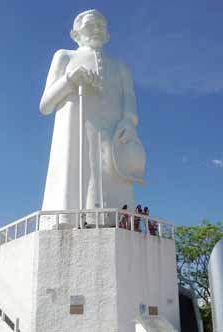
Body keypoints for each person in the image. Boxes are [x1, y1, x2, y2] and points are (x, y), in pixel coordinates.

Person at [39, 9, 146, 229]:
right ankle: (69, 219)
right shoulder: (65, 56)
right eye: (90, 25)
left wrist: (128, 121)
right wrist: (70, 79)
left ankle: (119, 221)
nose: (97, 29)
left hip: (113, 137)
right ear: (75, 33)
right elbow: (45, 104)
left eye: (101, 25)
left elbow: (130, 100)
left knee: (114, 179)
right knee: (76, 177)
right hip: (75, 133)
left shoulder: (121, 68)